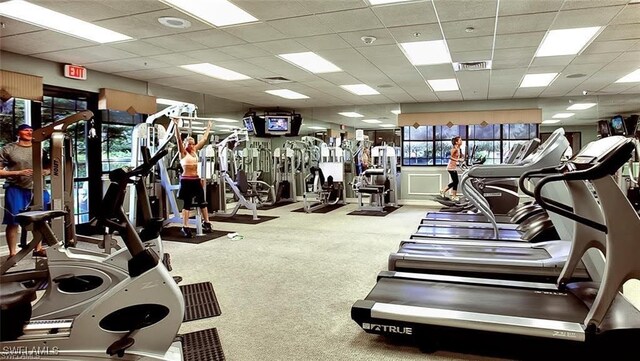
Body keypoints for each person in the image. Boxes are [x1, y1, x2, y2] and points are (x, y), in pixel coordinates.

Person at [0, 123, 47, 257]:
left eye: (31, 130)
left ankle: (38, 249)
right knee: (13, 221)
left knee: (40, 219)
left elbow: (50, 167)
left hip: (38, 188)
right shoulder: (8, 149)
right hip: (17, 189)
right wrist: (18, 173)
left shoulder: (40, 148)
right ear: (18, 133)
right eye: (26, 130)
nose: (29, 132)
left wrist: (45, 171)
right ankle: (12, 253)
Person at [172, 118, 213, 238]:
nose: (191, 145)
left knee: (203, 202)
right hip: (186, 181)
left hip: (196, 180)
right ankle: (185, 226)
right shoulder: (183, 153)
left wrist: (209, 127)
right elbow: (178, 138)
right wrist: (176, 125)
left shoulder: (195, 150)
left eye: (192, 143)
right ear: (185, 144)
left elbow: (204, 139)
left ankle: (207, 223)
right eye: (189, 143)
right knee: (187, 204)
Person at [441, 136, 464, 201]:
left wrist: (463, 157)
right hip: (451, 167)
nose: (461, 141)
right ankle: (443, 190)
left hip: (454, 167)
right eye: (460, 140)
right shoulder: (454, 148)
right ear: (456, 142)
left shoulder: (459, 149)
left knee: (456, 182)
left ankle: (454, 196)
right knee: (456, 181)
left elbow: (461, 156)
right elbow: (449, 157)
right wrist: (458, 159)